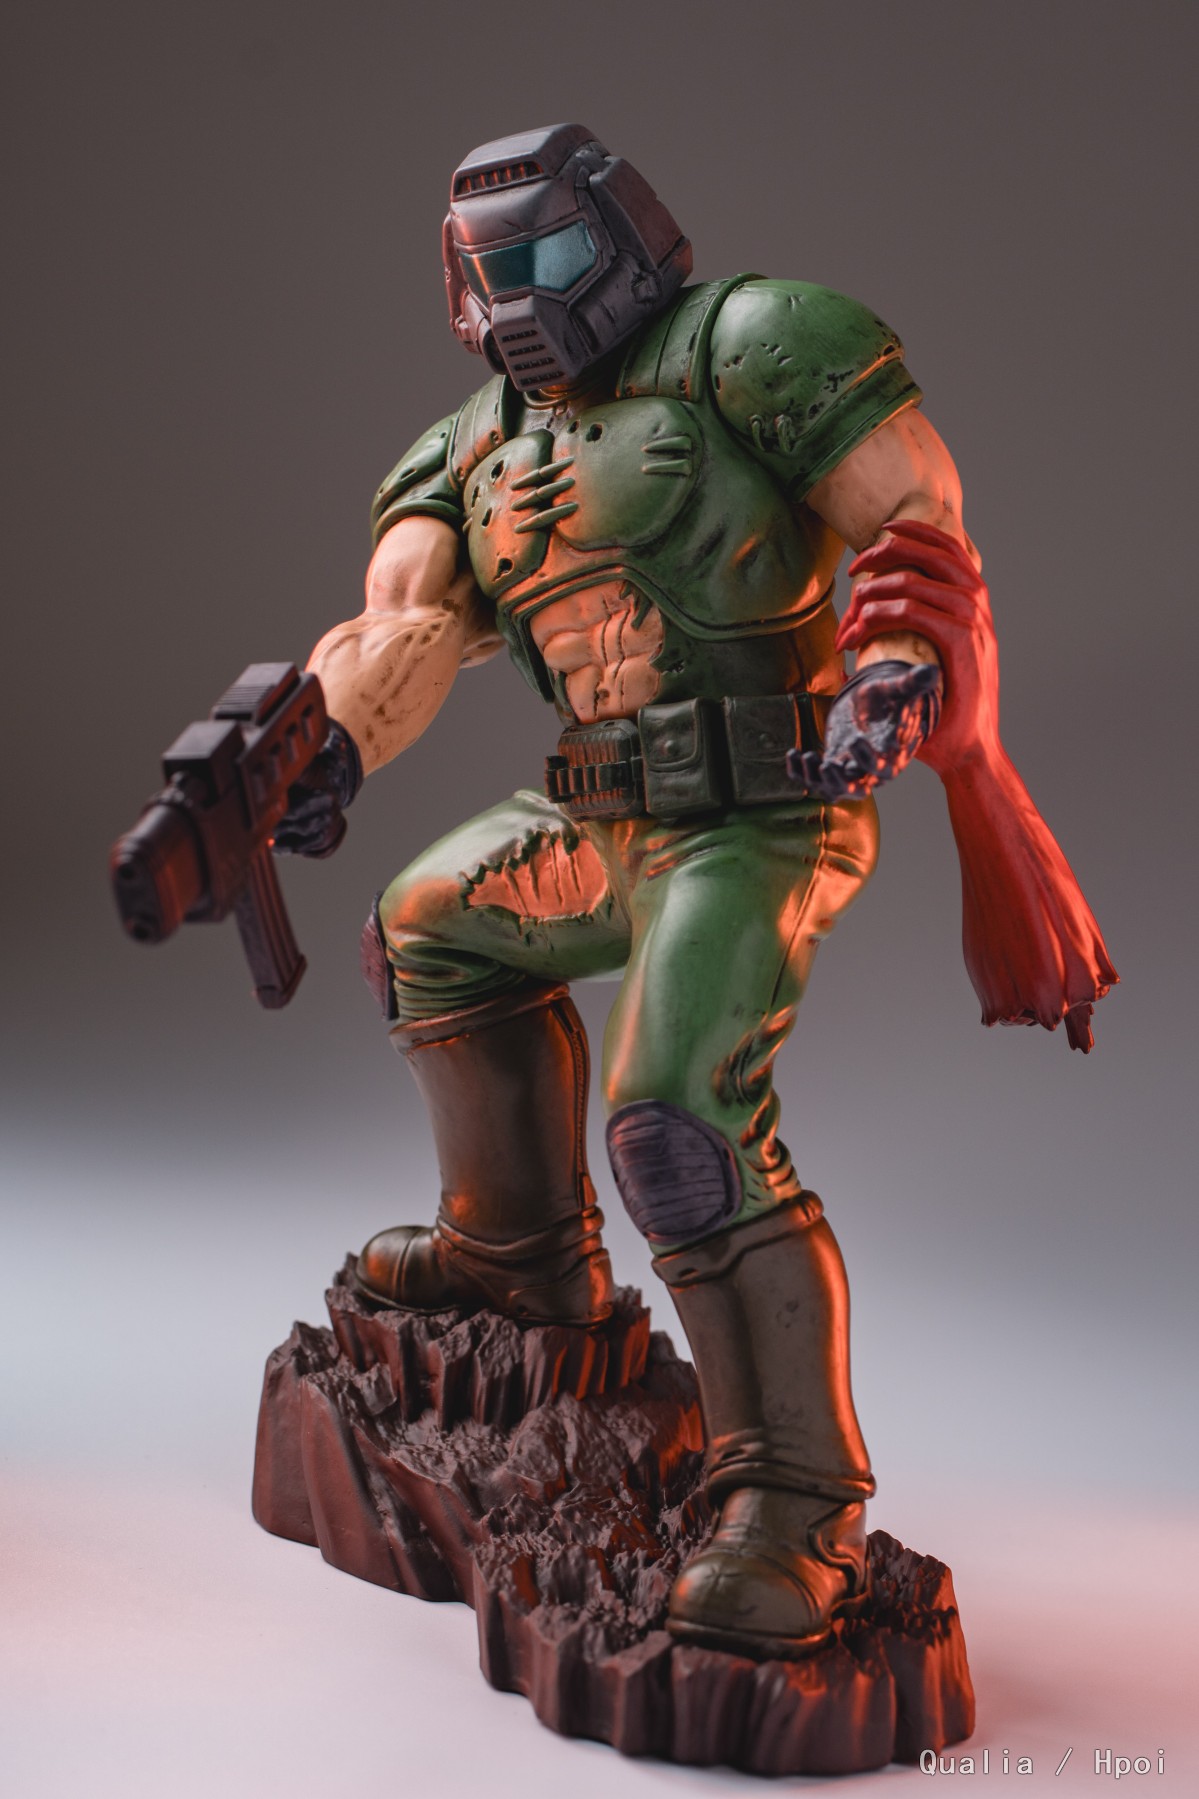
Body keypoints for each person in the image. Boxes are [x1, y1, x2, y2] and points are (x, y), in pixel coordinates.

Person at [276, 123, 1115, 1661]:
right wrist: (315, 742)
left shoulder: (753, 343)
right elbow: (396, 630)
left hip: (762, 809)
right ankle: (519, 1254)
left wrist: (896, 673)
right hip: (595, 816)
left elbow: (914, 524)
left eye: (544, 258)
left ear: (621, 231)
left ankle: (797, 1501)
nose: (518, 303)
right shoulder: (466, 450)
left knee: (677, 1122)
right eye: (486, 276)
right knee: (427, 930)